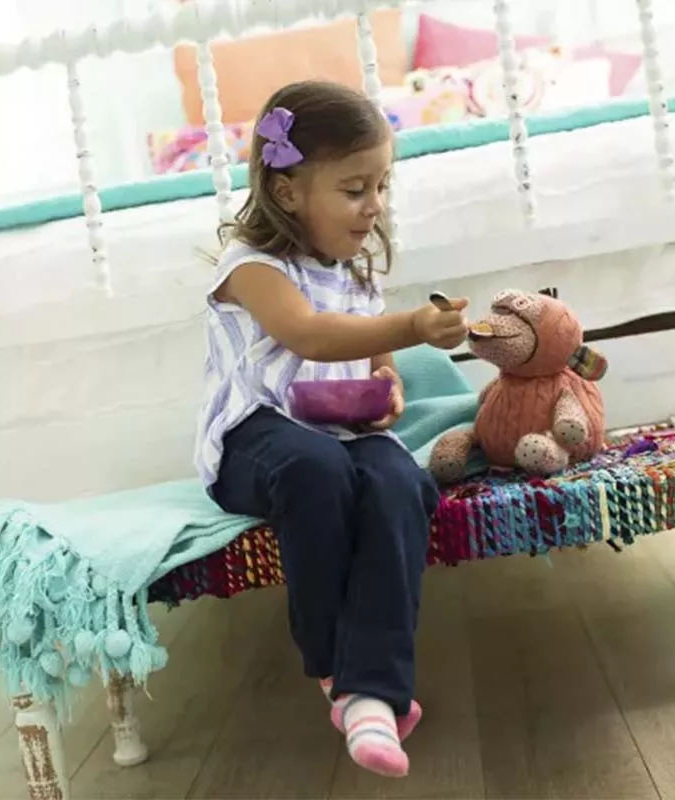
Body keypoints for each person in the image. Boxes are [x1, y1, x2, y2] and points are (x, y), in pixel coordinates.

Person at [194, 80, 468, 778]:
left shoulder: (352, 272)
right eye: (354, 189)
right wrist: (411, 326)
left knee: (398, 480)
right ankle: (334, 664)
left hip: (338, 431)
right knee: (315, 470)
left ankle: (372, 694)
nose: (374, 204)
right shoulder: (250, 269)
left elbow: (373, 359)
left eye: (382, 184)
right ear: (288, 192)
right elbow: (311, 336)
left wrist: (390, 389)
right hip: (257, 439)